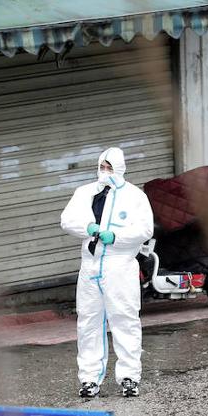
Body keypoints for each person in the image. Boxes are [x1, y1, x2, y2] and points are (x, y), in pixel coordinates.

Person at [60, 147, 154, 398]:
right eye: (102, 166)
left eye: (110, 167)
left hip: (119, 266)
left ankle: (129, 377)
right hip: (90, 266)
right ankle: (89, 379)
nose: (105, 172)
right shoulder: (85, 193)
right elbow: (67, 220)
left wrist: (117, 237)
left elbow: (145, 229)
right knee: (88, 323)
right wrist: (87, 227)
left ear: (121, 168)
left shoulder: (135, 197)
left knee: (124, 321)